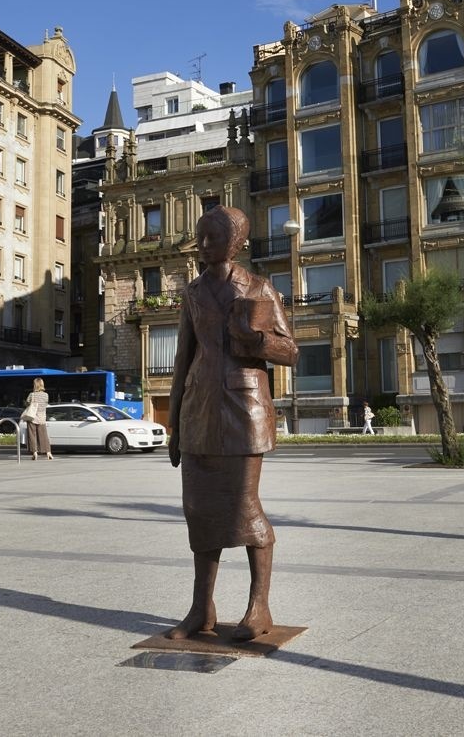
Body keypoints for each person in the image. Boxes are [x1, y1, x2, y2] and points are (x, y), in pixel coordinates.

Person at [167, 206, 297, 642]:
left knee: (244, 509)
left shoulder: (259, 288)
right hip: (199, 412)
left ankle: (259, 607)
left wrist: (256, 338)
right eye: (200, 237)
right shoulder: (192, 292)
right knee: (199, 513)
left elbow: (289, 350)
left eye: (213, 238)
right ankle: (201, 609)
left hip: (245, 413)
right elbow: (183, 360)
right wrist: (175, 427)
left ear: (237, 243)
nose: (204, 245)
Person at [23, 377, 53, 460]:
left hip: (32, 417)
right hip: (42, 417)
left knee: (32, 435)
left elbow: (27, 403)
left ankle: (35, 452)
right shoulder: (46, 395)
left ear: (35, 385)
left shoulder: (31, 394)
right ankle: (48, 452)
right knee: (43, 435)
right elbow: (45, 404)